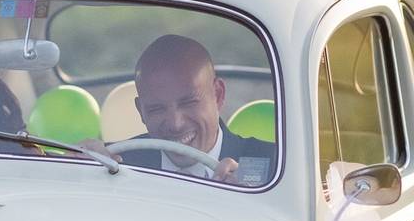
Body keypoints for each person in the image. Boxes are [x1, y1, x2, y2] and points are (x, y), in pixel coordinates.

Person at [82, 34, 276, 184]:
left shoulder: (276, 167)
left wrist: (252, 196)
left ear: (218, 95)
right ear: (141, 111)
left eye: (189, 102)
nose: (175, 124)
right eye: (157, 109)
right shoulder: (115, 163)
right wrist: (78, 170)